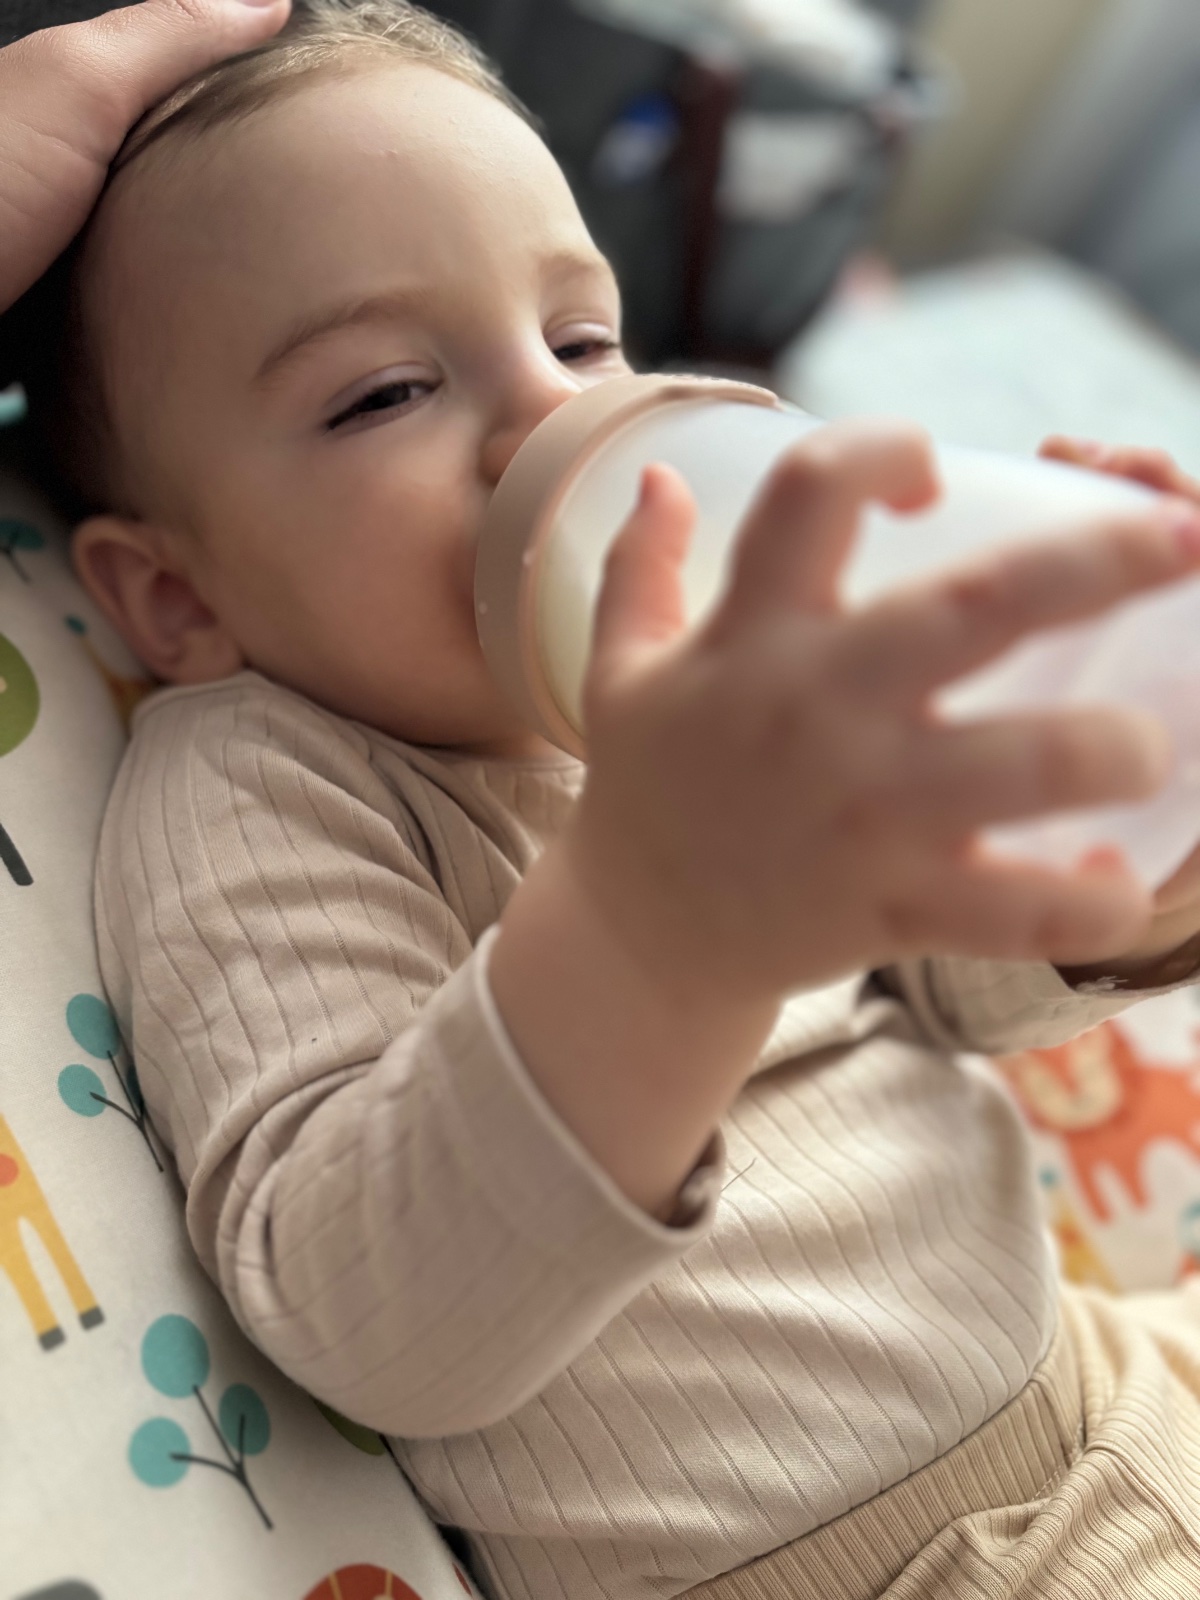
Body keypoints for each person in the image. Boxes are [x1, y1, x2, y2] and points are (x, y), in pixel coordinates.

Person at [11, 3, 1200, 1597]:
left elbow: (939, 980)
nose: (553, 421)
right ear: (175, 597)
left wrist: (1138, 843)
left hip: (1118, 1401)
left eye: (581, 341)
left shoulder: (703, 670)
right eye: (385, 393)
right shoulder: (260, 782)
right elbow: (374, 1317)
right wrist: (656, 940)